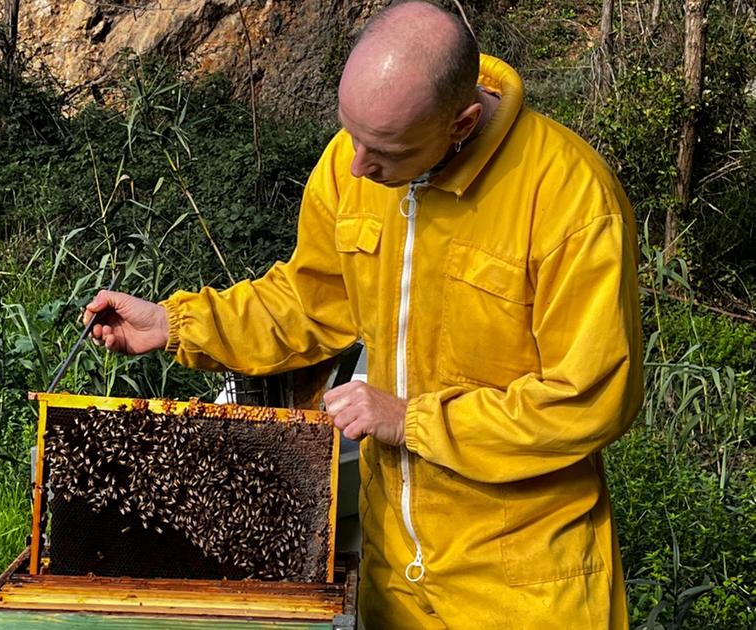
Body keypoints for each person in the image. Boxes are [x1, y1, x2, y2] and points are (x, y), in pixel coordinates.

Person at [82, 1, 643, 627]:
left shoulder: (570, 197)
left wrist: (412, 421)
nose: (355, 165)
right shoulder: (351, 167)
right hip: (394, 573)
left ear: (459, 125)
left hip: (525, 582)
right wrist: (175, 323)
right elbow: (307, 302)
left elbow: (588, 396)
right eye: (351, 135)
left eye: (382, 150)